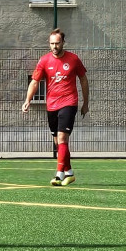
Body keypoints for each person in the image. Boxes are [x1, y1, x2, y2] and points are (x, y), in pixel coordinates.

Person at [22, 29, 89, 186]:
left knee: (62, 138)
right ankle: (69, 173)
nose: (54, 46)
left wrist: (85, 103)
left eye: (57, 43)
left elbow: (83, 80)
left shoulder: (73, 59)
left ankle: (59, 175)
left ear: (63, 42)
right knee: (58, 142)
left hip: (69, 102)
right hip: (52, 105)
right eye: (52, 43)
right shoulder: (44, 60)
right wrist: (27, 100)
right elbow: (35, 81)